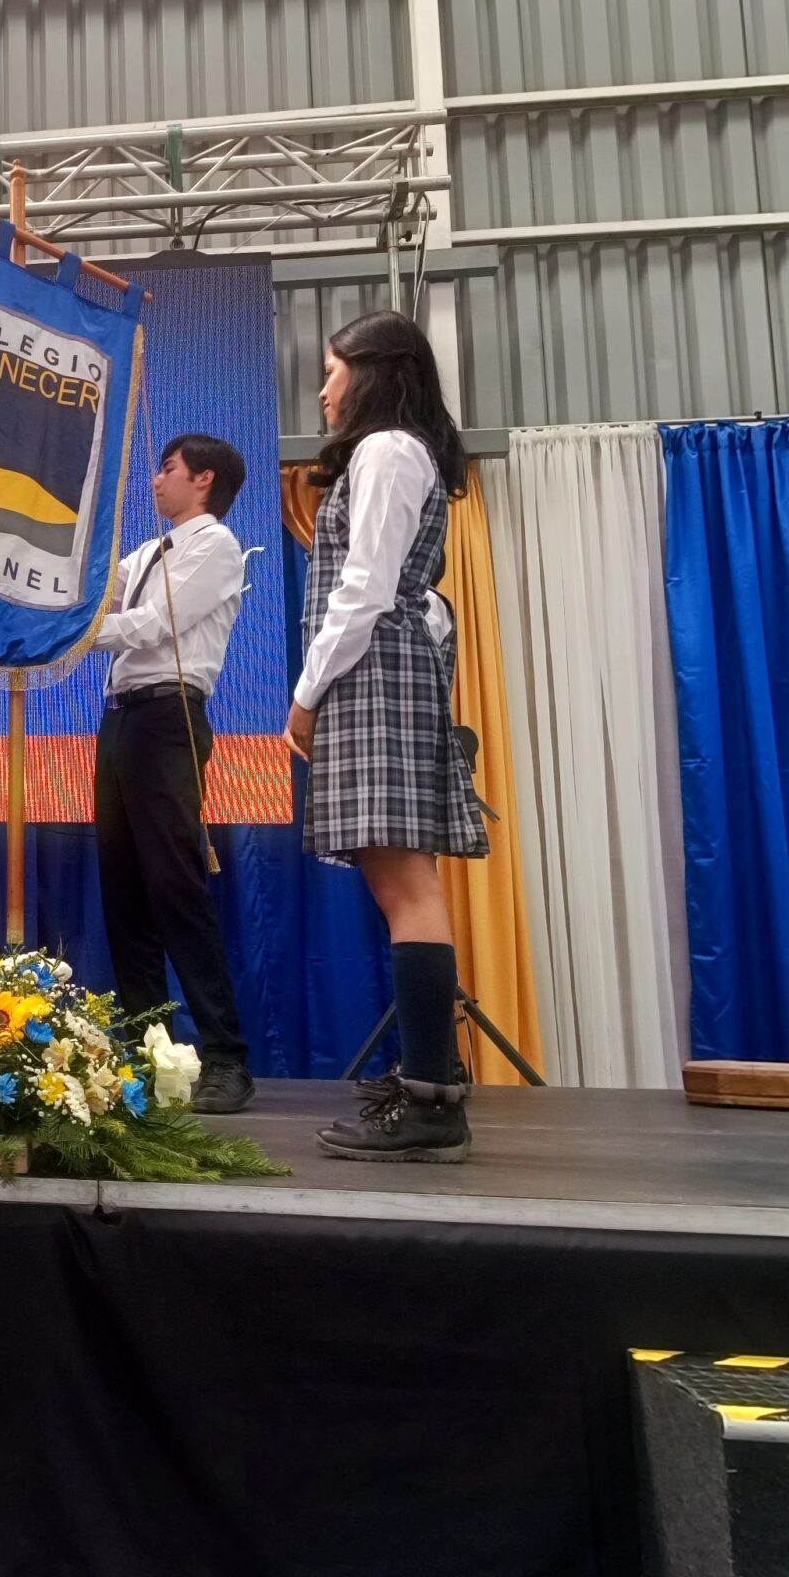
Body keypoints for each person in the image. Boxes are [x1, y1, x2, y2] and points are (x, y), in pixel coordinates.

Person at [287, 311, 488, 1163]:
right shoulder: (393, 454)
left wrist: (305, 694)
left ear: (373, 372)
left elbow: (366, 588)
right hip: (379, 671)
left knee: (406, 883)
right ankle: (431, 1080)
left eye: (333, 371)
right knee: (399, 880)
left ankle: (432, 1096)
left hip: (372, 671)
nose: (323, 390)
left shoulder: (387, 450)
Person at [89, 432, 256, 1114]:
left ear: (204, 479)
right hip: (121, 721)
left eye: (168, 469)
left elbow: (151, 626)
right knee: (123, 893)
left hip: (168, 719)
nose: (155, 480)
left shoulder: (214, 545)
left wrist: (72, 634)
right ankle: (147, 1052)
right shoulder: (148, 551)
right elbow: (98, 596)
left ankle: (226, 1056)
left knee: (175, 887)